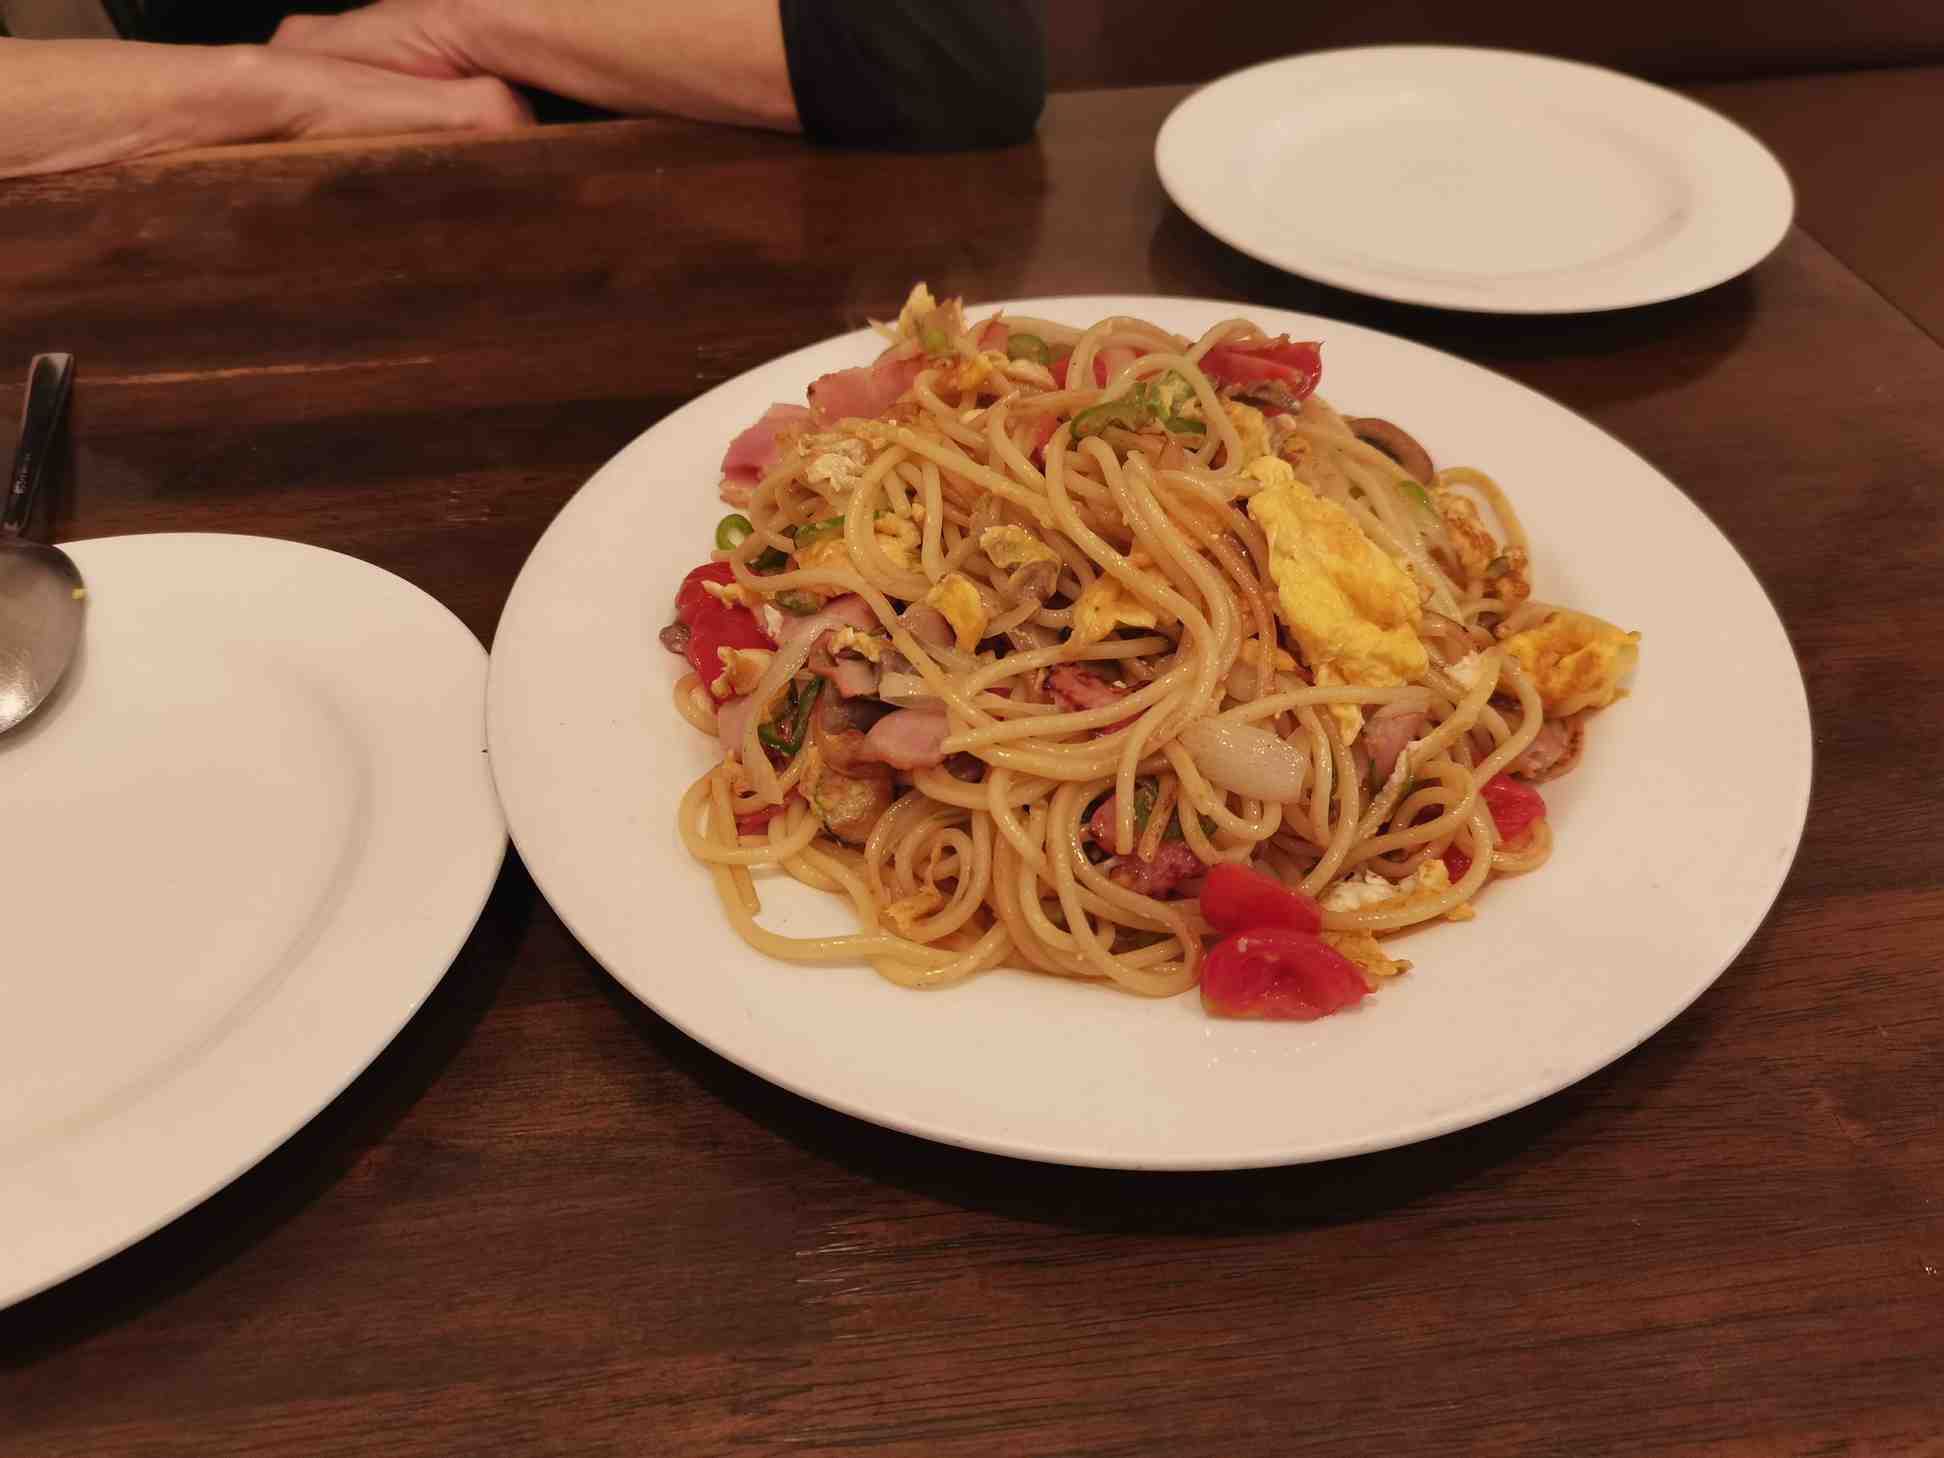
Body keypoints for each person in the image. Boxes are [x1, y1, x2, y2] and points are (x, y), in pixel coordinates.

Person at [0, 0, 1046, 178]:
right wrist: (272, 88)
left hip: (683, 265)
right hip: (219, 278)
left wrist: (461, 23)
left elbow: (956, 53)